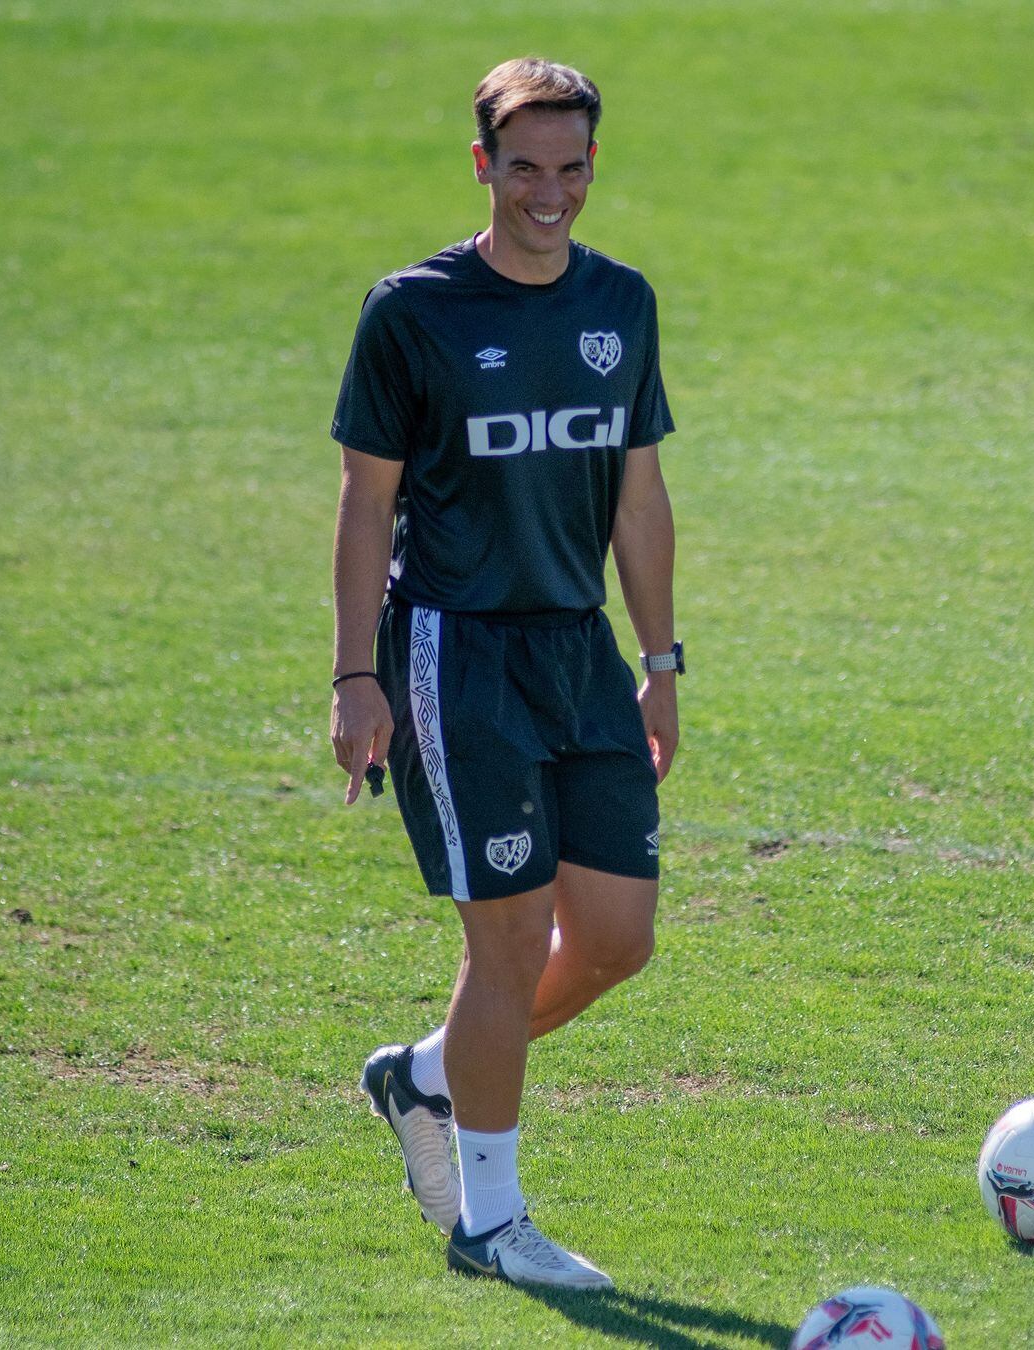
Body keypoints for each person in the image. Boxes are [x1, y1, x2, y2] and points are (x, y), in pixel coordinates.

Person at [329, 57, 681, 1290]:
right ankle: (489, 1220)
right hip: (452, 652)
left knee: (617, 941)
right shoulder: (413, 311)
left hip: (578, 651)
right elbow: (364, 504)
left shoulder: (621, 302)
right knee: (508, 938)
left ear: (593, 166)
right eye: (524, 166)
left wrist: (662, 662)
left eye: (571, 166)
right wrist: (354, 677)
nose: (551, 191)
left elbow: (638, 493)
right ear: (483, 164)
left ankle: (423, 1075)